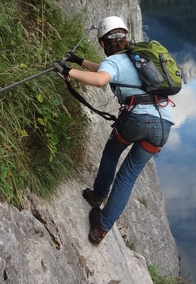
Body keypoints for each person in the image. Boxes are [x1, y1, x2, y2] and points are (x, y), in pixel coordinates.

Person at [52, 16, 175, 245]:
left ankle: (98, 194)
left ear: (102, 43)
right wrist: (79, 61)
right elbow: (104, 70)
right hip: (163, 124)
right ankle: (101, 228)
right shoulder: (137, 58)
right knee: (128, 175)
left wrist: (68, 72)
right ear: (125, 37)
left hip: (136, 120)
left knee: (111, 152)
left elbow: (101, 79)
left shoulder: (115, 61)